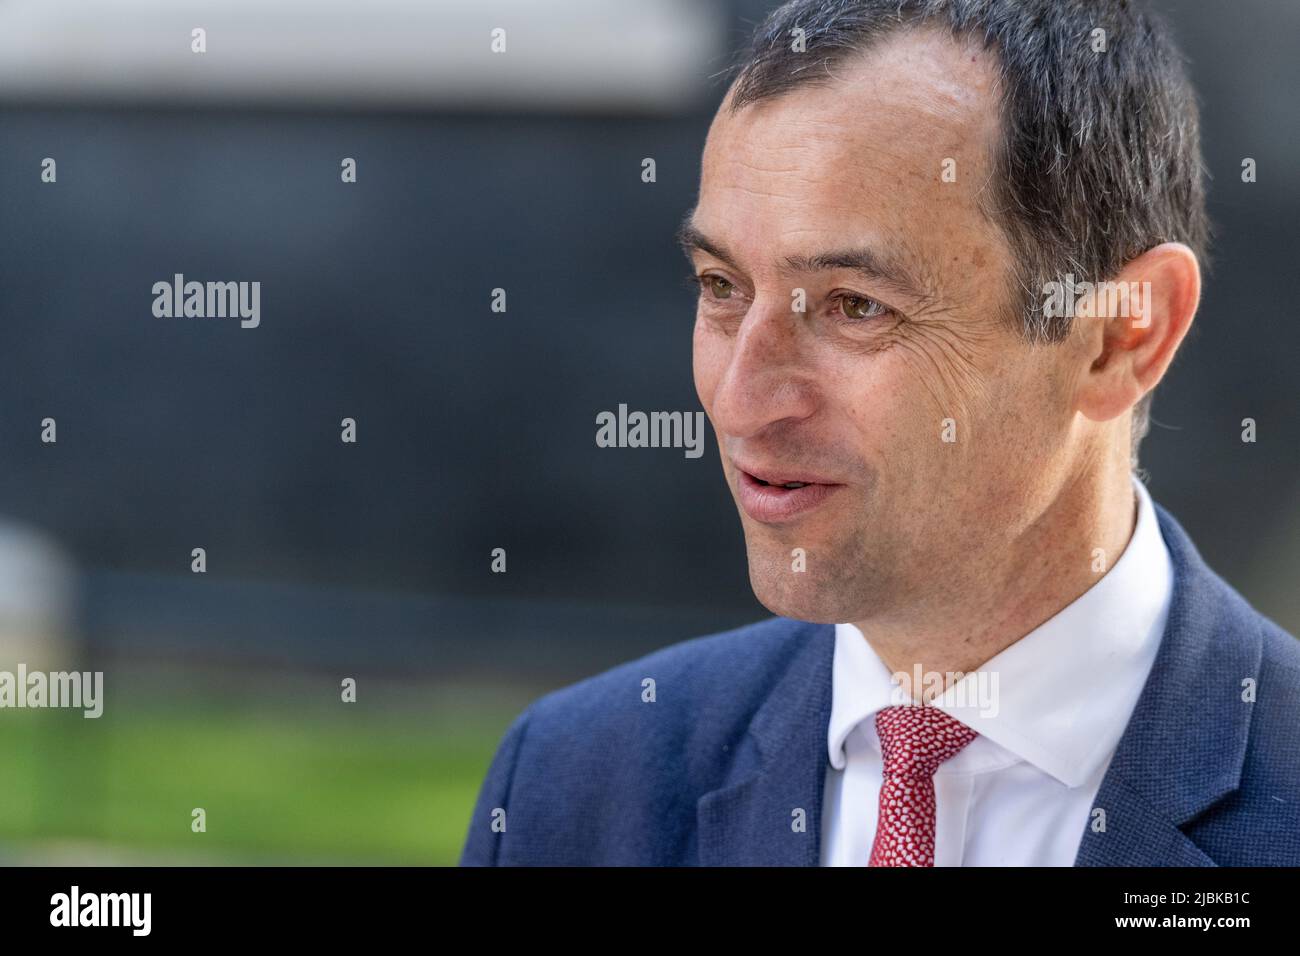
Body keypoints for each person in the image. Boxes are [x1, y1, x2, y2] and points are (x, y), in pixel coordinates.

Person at [460, 0, 1300, 866]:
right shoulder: (573, 792)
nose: (742, 401)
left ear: (1124, 334)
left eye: (855, 306)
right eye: (720, 285)